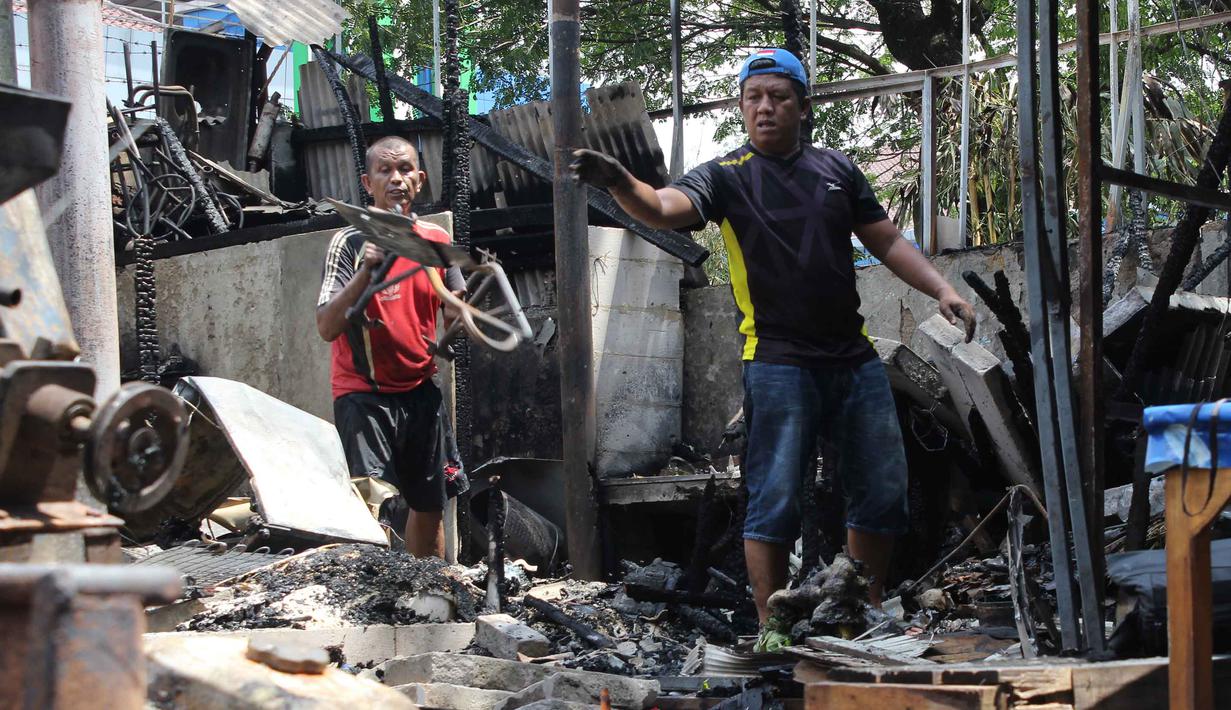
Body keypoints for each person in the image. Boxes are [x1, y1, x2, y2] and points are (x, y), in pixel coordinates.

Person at [570, 48, 976, 643]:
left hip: (853, 358)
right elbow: (661, 209)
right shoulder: (727, 175)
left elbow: (887, 240)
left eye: (779, 96)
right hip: (778, 361)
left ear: (803, 107)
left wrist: (942, 288)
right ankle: (772, 624)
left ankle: (862, 606)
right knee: (774, 496)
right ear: (741, 106)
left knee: (882, 489)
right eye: (754, 96)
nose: (765, 107)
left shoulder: (837, 170)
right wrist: (619, 180)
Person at [317, 135, 467, 558]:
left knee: (429, 504)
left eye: (404, 170)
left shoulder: (435, 240)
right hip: (364, 397)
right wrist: (367, 272)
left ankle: (432, 597)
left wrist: (460, 316)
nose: (396, 178)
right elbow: (327, 326)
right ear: (368, 182)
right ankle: (373, 604)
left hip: (419, 393)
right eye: (385, 171)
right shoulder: (349, 242)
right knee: (369, 510)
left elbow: (457, 311)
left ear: (419, 179)